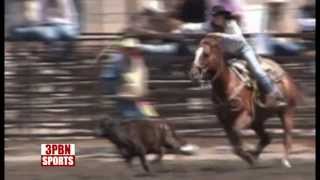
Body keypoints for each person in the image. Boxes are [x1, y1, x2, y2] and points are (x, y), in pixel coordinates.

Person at [174, 5, 287, 108]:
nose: (217, 18)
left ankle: (274, 94)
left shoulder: (231, 24)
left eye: (219, 16)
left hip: (243, 50)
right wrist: (183, 27)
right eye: (215, 16)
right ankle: (221, 97)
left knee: (257, 70)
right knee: (215, 70)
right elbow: (197, 27)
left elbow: (239, 38)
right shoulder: (209, 26)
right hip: (227, 54)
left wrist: (221, 35)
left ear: (224, 17)